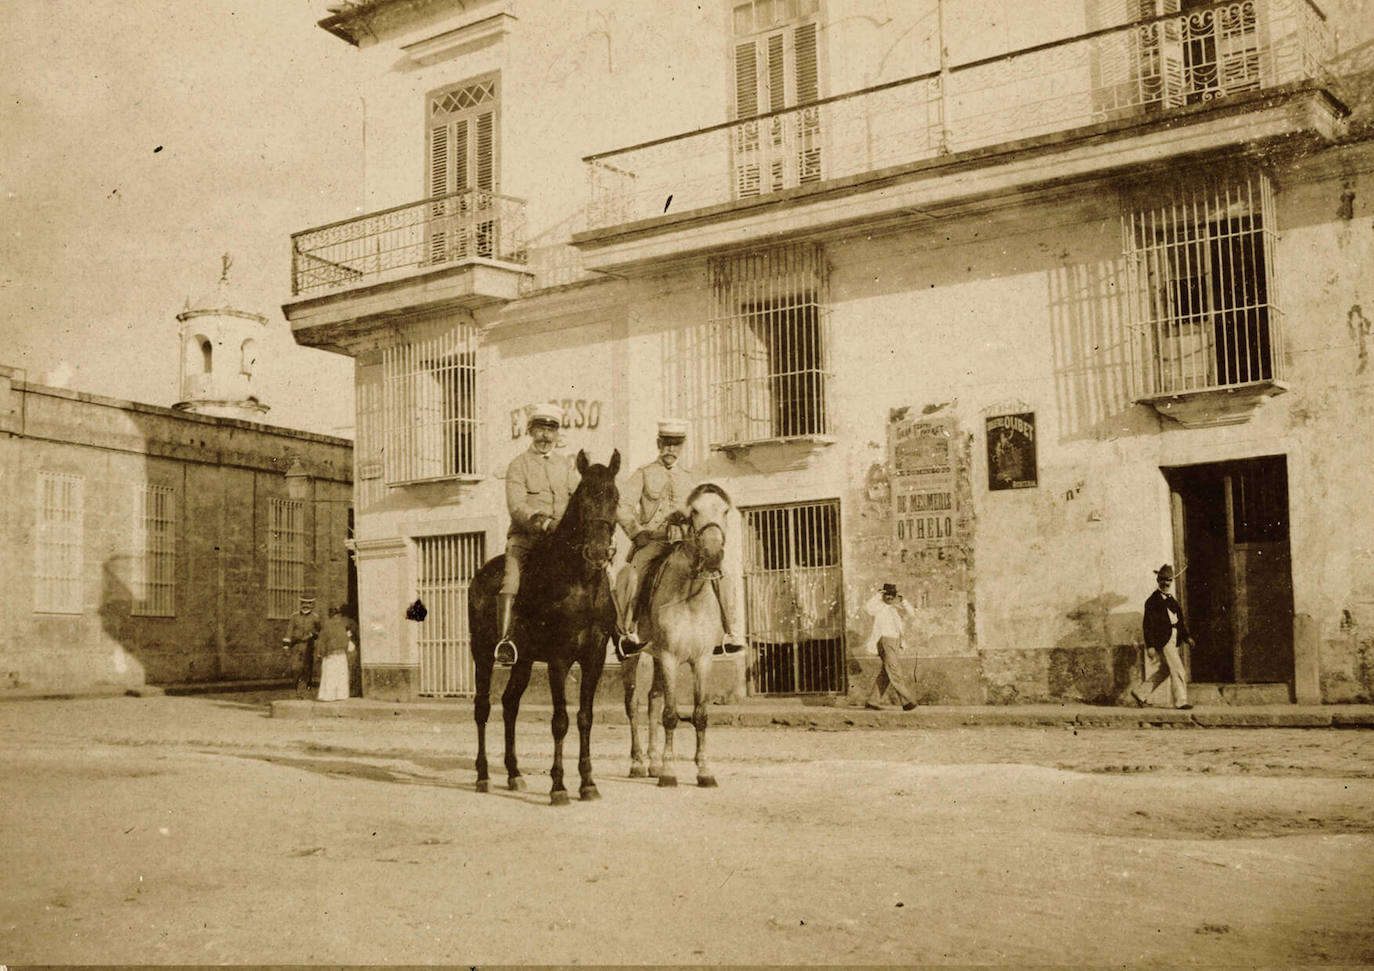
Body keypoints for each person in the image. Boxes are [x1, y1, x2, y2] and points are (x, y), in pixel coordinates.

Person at [615, 418, 746, 657]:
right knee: (634, 574)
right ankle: (631, 631)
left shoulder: (690, 478)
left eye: (676, 445)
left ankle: (727, 632)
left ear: (682, 446)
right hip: (653, 541)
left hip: (685, 543)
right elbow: (621, 507)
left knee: (721, 575)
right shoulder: (643, 474)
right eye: (666, 444)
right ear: (658, 443)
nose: (670, 450)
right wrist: (637, 533)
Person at [496, 403, 580, 665]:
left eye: (550, 430)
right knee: (511, 578)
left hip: (561, 541)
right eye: (541, 430)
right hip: (527, 539)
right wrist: (543, 523)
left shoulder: (566, 466)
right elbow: (517, 506)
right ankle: (505, 640)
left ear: (556, 435)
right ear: (531, 431)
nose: (545, 436)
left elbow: (578, 499)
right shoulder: (518, 465)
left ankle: (615, 631)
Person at [1131, 563, 1194, 710]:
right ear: (1158, 580)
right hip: (1163, 639)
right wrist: (1150, 646)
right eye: (1164, 579)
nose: (1166, 583)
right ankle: (1181, 701)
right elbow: (1148, 625)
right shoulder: (1152, 601)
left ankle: (1140, 693)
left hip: (1174, 637)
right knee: (1178, 669)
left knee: (1165, 670)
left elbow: (1180, 622)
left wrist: (1187, 637)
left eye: (1169, 580)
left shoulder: (1172, 600)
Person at [861, 583, 919, 711]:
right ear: (883, 595)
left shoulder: (897, 607)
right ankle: (907, 701)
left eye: (892, 595)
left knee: (886, 673)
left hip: (896, 642)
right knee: (894, 670)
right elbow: (867, 608)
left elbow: (911, 614)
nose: (889, 598)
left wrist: (903, 600)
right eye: (886, 595)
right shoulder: (879, 607)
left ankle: (872, 701)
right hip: (884, 641)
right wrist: (878, 595)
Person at [282, 596, 321, 699]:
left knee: (306, 669)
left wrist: (312, 635)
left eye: (308, 604)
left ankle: (302, 692)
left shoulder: (315, 618)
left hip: (308, 646)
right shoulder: (294, 617)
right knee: (295, 668)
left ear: (312, 605)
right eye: (303, 603)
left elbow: (319, 632)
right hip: (296, 646)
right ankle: (297, 688)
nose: (305, 606)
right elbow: (289, 631)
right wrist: (286, 647)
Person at [316, 604, 358, 702]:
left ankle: (329, 696)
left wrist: (319, 654)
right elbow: (348, 640)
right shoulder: (343, 625)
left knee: (330, 675)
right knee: (341, 675)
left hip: (330, 654)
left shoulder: (327, 626)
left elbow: (322, 641)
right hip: (341, 654)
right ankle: (341, 695)